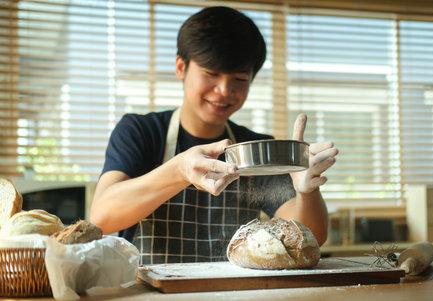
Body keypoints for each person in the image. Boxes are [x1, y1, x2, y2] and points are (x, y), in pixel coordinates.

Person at [90, 6, 338, 264]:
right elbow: (102, 217)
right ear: (180, 67)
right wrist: (179, 170)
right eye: (211, 74)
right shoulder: (141, 132)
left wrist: (306, 192)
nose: (224, 90)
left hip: (232, 291)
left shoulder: (254, 149)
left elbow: (312, 237)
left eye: (240, 79)